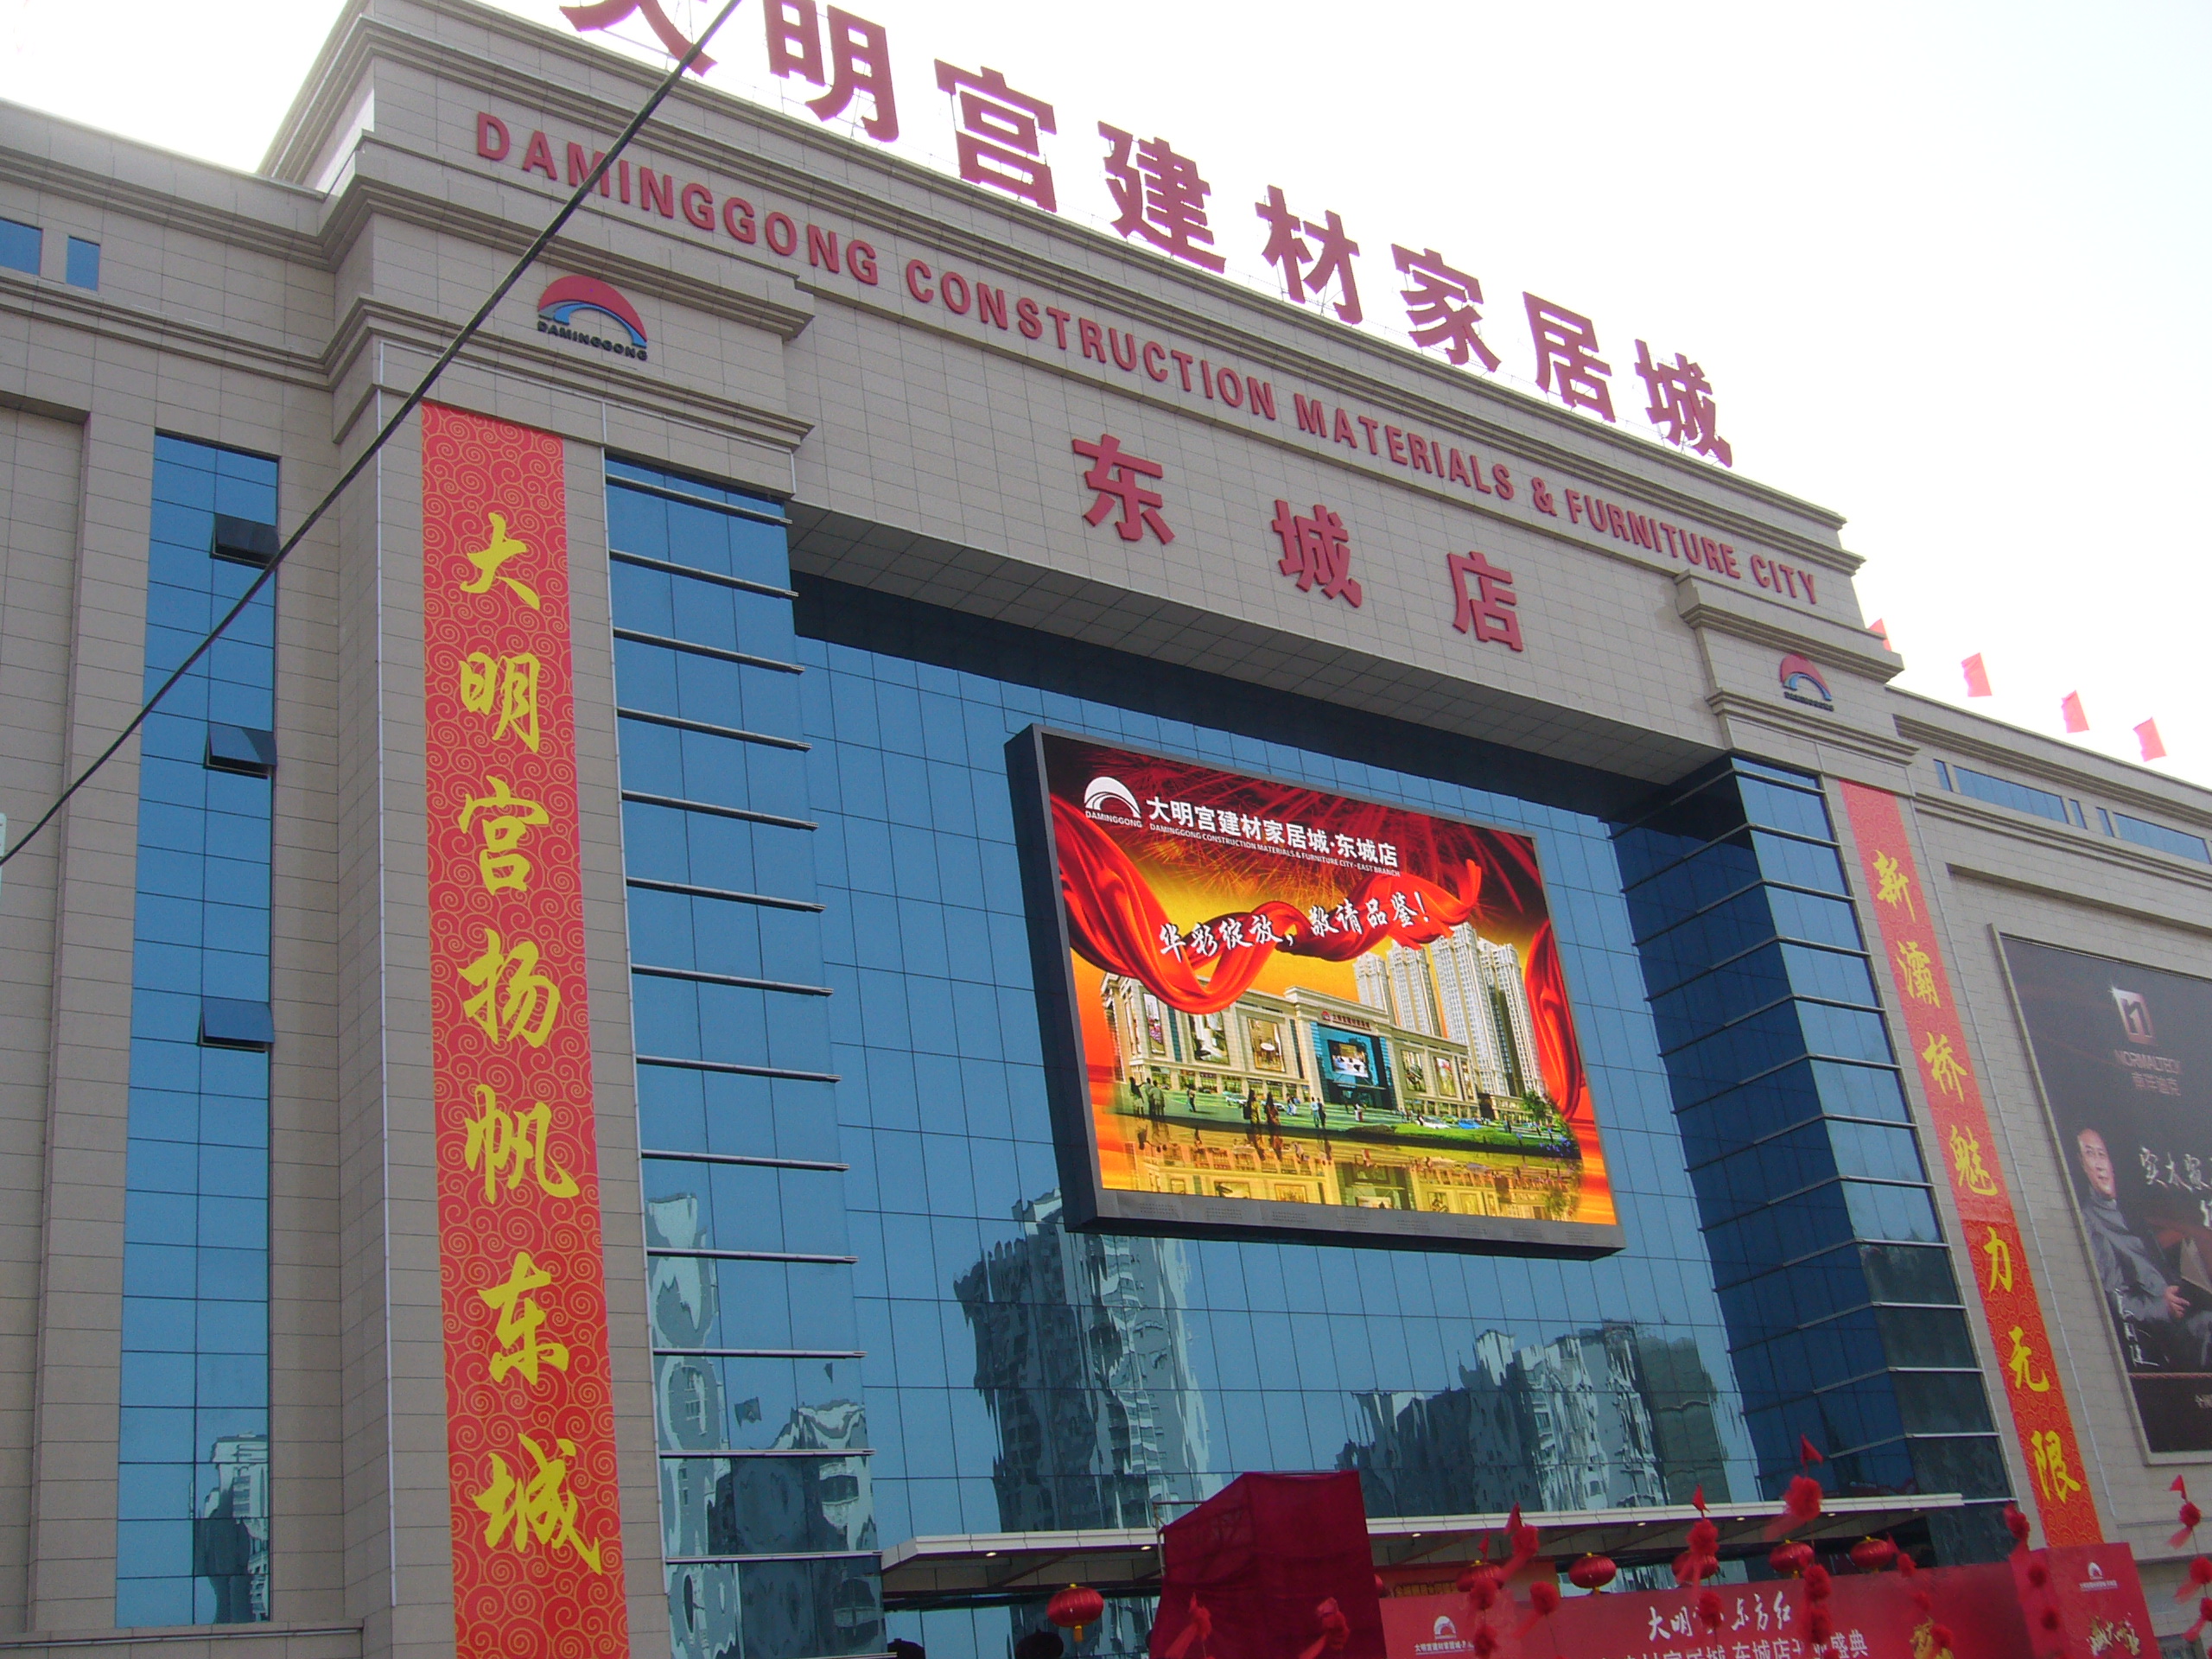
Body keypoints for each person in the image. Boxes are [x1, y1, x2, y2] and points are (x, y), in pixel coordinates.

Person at [2076, 1127, 2212, 1368]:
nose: (2099, 1165)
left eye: (2101, 1154)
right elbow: (2116, 1300)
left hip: (2186, 1311)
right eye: (2090, 1154)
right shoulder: (2092, 1223)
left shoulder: (2130, 1213)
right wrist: (2162, 1307)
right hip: (2161, 1335)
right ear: (2082, 1164)